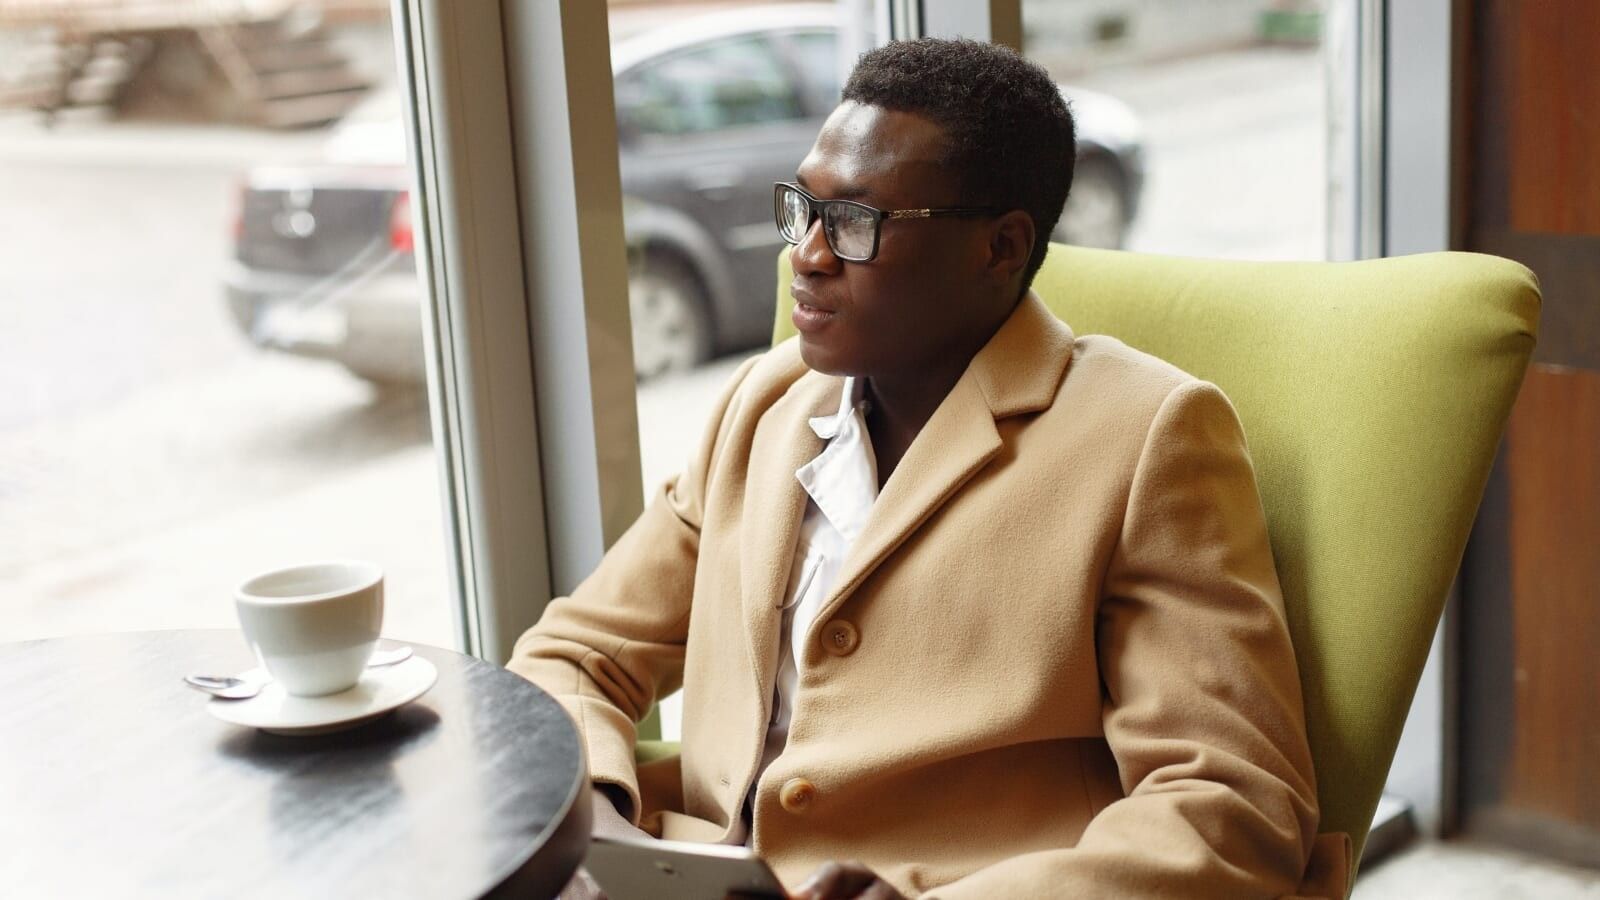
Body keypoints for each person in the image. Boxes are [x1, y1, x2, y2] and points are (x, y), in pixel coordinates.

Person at [513, 38, 1350, 900]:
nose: (806, 253)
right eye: (804, 206)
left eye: (855, 223)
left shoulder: (1148, 439)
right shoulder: (763, 405)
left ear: (1000, 249)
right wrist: (602, 818)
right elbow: (576, 653)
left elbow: (1233, 806)